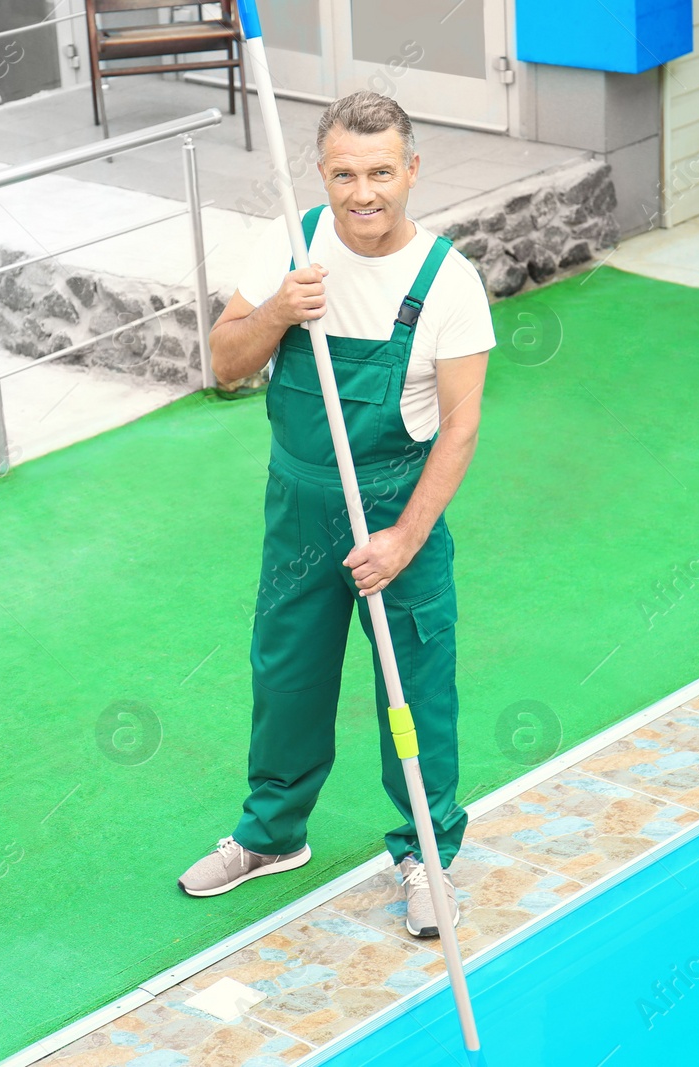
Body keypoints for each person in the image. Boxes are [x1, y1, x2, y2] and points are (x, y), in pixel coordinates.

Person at [176, 91, 494, 938]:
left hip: (397, 509)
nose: (364, 192)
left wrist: (403, 538)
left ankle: (426, 852)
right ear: (322, 173)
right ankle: (271, 834)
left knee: (413, 690)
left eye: (381, 172)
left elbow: (461, 424)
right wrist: (280, 309)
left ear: (411, 171)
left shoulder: (447, 282)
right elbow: (224, 366)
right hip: (298, 506)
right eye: (345, 173)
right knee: (285, 674)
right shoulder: (289, 243)